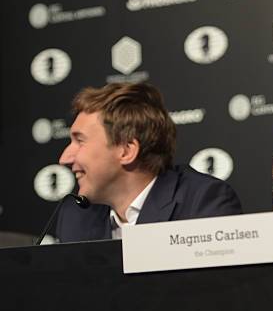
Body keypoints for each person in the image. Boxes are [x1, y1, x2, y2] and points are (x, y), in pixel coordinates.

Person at [54, 82, 242, 242]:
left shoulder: (202, 204)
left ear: (127, 150)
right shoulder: (75, 217)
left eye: (80, 141)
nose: (64, 158)